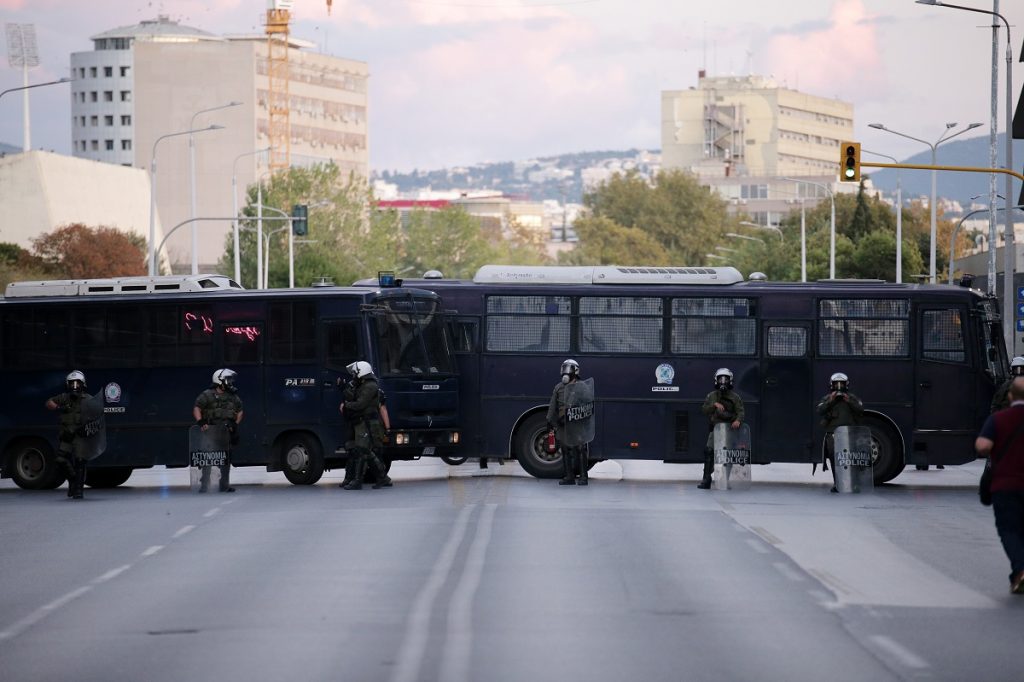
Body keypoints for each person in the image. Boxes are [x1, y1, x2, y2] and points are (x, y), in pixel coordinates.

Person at [974, 376, 1024, 595]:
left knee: (1009, 530)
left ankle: (1020, 570)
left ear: (1011, 396)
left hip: (1005, 485)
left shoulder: (998, 419)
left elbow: (983, 446)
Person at [339, 361, 392, 490]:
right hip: (362, 422)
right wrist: (343, 388)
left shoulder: (370, 386)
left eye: (355, 373)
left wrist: (346, 405)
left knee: (363, 450)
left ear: (361, 372)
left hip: (368, 423)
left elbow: (360, 403)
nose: (354, 376)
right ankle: (381, 478)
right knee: (361, 451)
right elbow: (354, 397)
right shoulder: (363, 385)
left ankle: (360, 481)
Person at [193, 368, 243, 493]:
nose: (230, 382)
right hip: (210, 431)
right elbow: (197, 408)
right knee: (207, 458)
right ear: (219, 380)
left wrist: (235, 424)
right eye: (228, 380)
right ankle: (204, 485)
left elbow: (240, 410)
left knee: (226, 459)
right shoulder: (207, 395)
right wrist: (201, 422)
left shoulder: (233, 396)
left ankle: (224, 485)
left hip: (225, 433)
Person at [45, 370, 91, 499]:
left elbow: (97, 415)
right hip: (67, 436)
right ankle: (73, 480)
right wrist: (59, 407)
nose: (75, 386)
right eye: (72, 383)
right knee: (60, 460)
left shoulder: (88, 399)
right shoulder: (64, 397)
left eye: (78, 383)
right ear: (68, 384)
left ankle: (78, 490)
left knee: (80, 461)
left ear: (83, 384)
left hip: (81, 437)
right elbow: (49, 402)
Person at [816, 372, 864, 493]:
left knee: (851, 459)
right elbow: (820, 410)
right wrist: (831, 401)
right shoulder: (827, 398)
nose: (839, 387)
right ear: (831, 385)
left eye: (841, 384)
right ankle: (838, 484)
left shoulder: (852, 397)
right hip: (833, 433)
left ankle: (854, 484)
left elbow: (860, 410)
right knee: (834, 460)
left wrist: (849, 401)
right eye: (836, 384)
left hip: (849, 432)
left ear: (846, 384)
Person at [698, 368, 745, 490]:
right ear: (716, 380)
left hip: (730, 429)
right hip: (716, 429)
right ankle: (706, 479)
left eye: (726, 379)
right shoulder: (712, 396)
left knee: (726, 454)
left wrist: (737, 420)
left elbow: (741, 411)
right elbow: (704, 410)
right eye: (720, 379)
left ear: (730, 381)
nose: (723, 382)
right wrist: (714, 405)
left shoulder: (735, 397)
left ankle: (725, 479)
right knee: (709, 451)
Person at [547, 359, 591, 486]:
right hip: (563, 424)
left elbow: (588, 405)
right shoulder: (559, 387)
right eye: (564, 368)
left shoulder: (582, 387)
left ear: (575, 371)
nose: (566, 372)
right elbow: (552, 405)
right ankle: (569, 477)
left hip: (577, 423)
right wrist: (549, 420)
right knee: (565, 450)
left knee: (580, 449)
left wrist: (581, 417)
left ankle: (583, 477)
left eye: (569, 369)